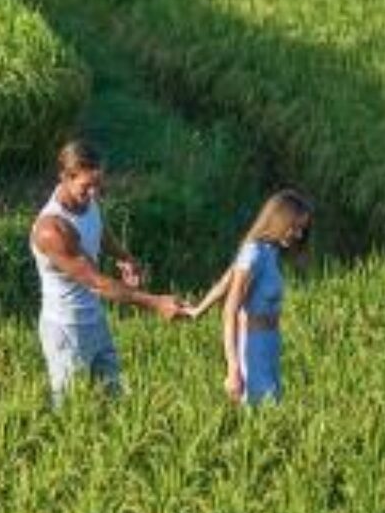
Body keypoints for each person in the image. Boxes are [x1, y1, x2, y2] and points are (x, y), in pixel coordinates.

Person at [29, 138, 186, 401]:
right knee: (71, 409)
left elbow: (100, 231)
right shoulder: (52, 229)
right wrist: (156, 303)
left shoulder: (87, 200)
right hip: (67, 330)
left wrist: (124, 257)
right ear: (65, 178)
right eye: (86, 186)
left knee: (116, 397)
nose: (94, 193)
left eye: (98, 184)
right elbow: (96, 283)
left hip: (95, 321)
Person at [187, 188, 314, 405]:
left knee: (271, 408)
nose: (299, 235)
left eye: (302, 229)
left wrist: (198, 310)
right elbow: (230, 309)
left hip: (269, 342)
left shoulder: (268, 251)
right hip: (252, 345)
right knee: (262, 412)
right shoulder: (253, 252)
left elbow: (224, 282)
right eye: (295, 227)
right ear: (278, 221)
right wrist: (233, 368)